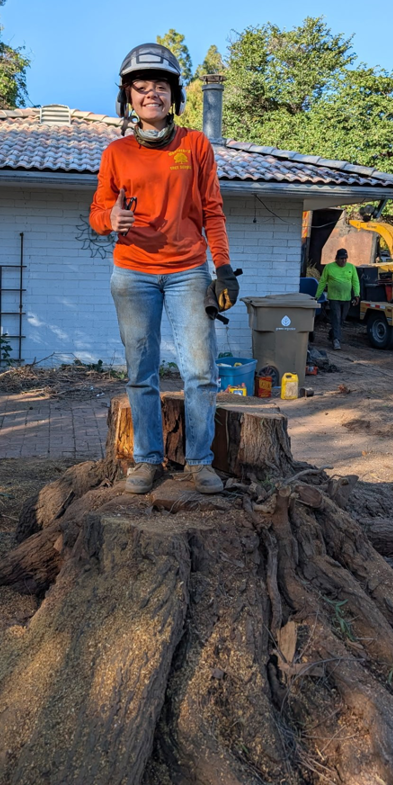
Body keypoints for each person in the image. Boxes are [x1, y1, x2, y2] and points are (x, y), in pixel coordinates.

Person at [89, 43, 239, 495]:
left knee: (200, 370)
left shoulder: (194, 145)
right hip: (132, 273)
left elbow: (212, 210)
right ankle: (147, 460)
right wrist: (109, 220)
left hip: (189, 271)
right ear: (128, 99)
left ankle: (200, 462)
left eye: (160, 87)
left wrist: (224, 267)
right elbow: (97, 213)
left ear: (174, 96)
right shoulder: (116, 152)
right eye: (140, 88)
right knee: (141, 370)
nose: (150, 94)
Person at [315, 248, 360, 350]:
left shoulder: (351, 267)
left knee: (341, 320)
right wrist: (317, 295)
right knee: (336, 318)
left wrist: (357, 295)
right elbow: (322, 282)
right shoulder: (329, 267)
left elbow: (355, 282)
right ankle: (336, 340)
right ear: (336, 259)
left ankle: (332, 334)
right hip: (334, 298)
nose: (343, 261)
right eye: (341, 258)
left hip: (346, 298)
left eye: (345, 258)